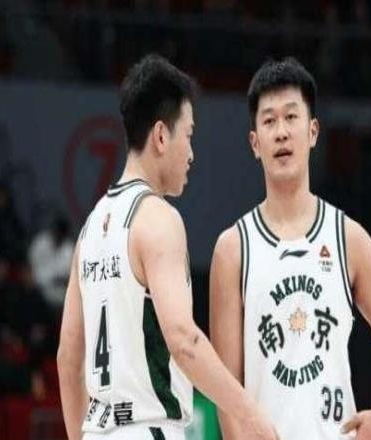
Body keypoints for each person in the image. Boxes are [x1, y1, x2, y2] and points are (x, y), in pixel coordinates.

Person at [57, 54, 279, 440]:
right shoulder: (158, 218)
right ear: (161, 136)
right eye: (188, 135)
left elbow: (67, 359)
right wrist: (250, 414)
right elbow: (183, 339)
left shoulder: (90, 229)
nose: (191, 154)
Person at [210, 58, 371, 440]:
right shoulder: (232, 249)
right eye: (269, 121)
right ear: (255, 143)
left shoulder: (349, 238)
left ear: (313, 131)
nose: (281, 132)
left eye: (291, 117)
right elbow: (226, 389)